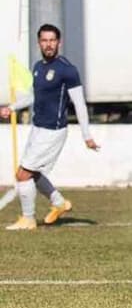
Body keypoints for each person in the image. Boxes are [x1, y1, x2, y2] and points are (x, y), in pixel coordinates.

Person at [1, 24, 99, 230]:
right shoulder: (38, 67)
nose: (48, 44)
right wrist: (12, 107)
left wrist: (86, 135)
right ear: (39, 43)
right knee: (33, 174)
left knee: (23, 174)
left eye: (52, 40)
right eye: (44, 40)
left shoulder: (67, 70)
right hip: (38, 128)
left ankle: (28, 219)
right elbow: (33, 96)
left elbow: (79, 104)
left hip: (53, 131)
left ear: (59, 42)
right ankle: (59, 203)